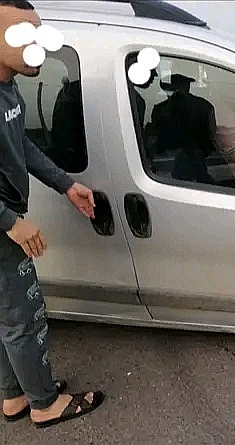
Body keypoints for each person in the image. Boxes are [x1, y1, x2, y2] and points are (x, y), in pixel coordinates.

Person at [0, 0, 104, 428]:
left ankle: (15, 396)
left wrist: (64, 183)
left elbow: (19, 145)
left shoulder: (8, 89)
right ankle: (44, 404)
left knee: (6, 316)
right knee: (23, 318)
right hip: (4, 229)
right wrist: (11, 222)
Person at [148, 73, 218, 184]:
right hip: (197, 161)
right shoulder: (205, 106)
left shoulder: (160, 110)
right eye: (186, 84)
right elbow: (213, 137)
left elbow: (154, 139)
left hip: (166, 167)